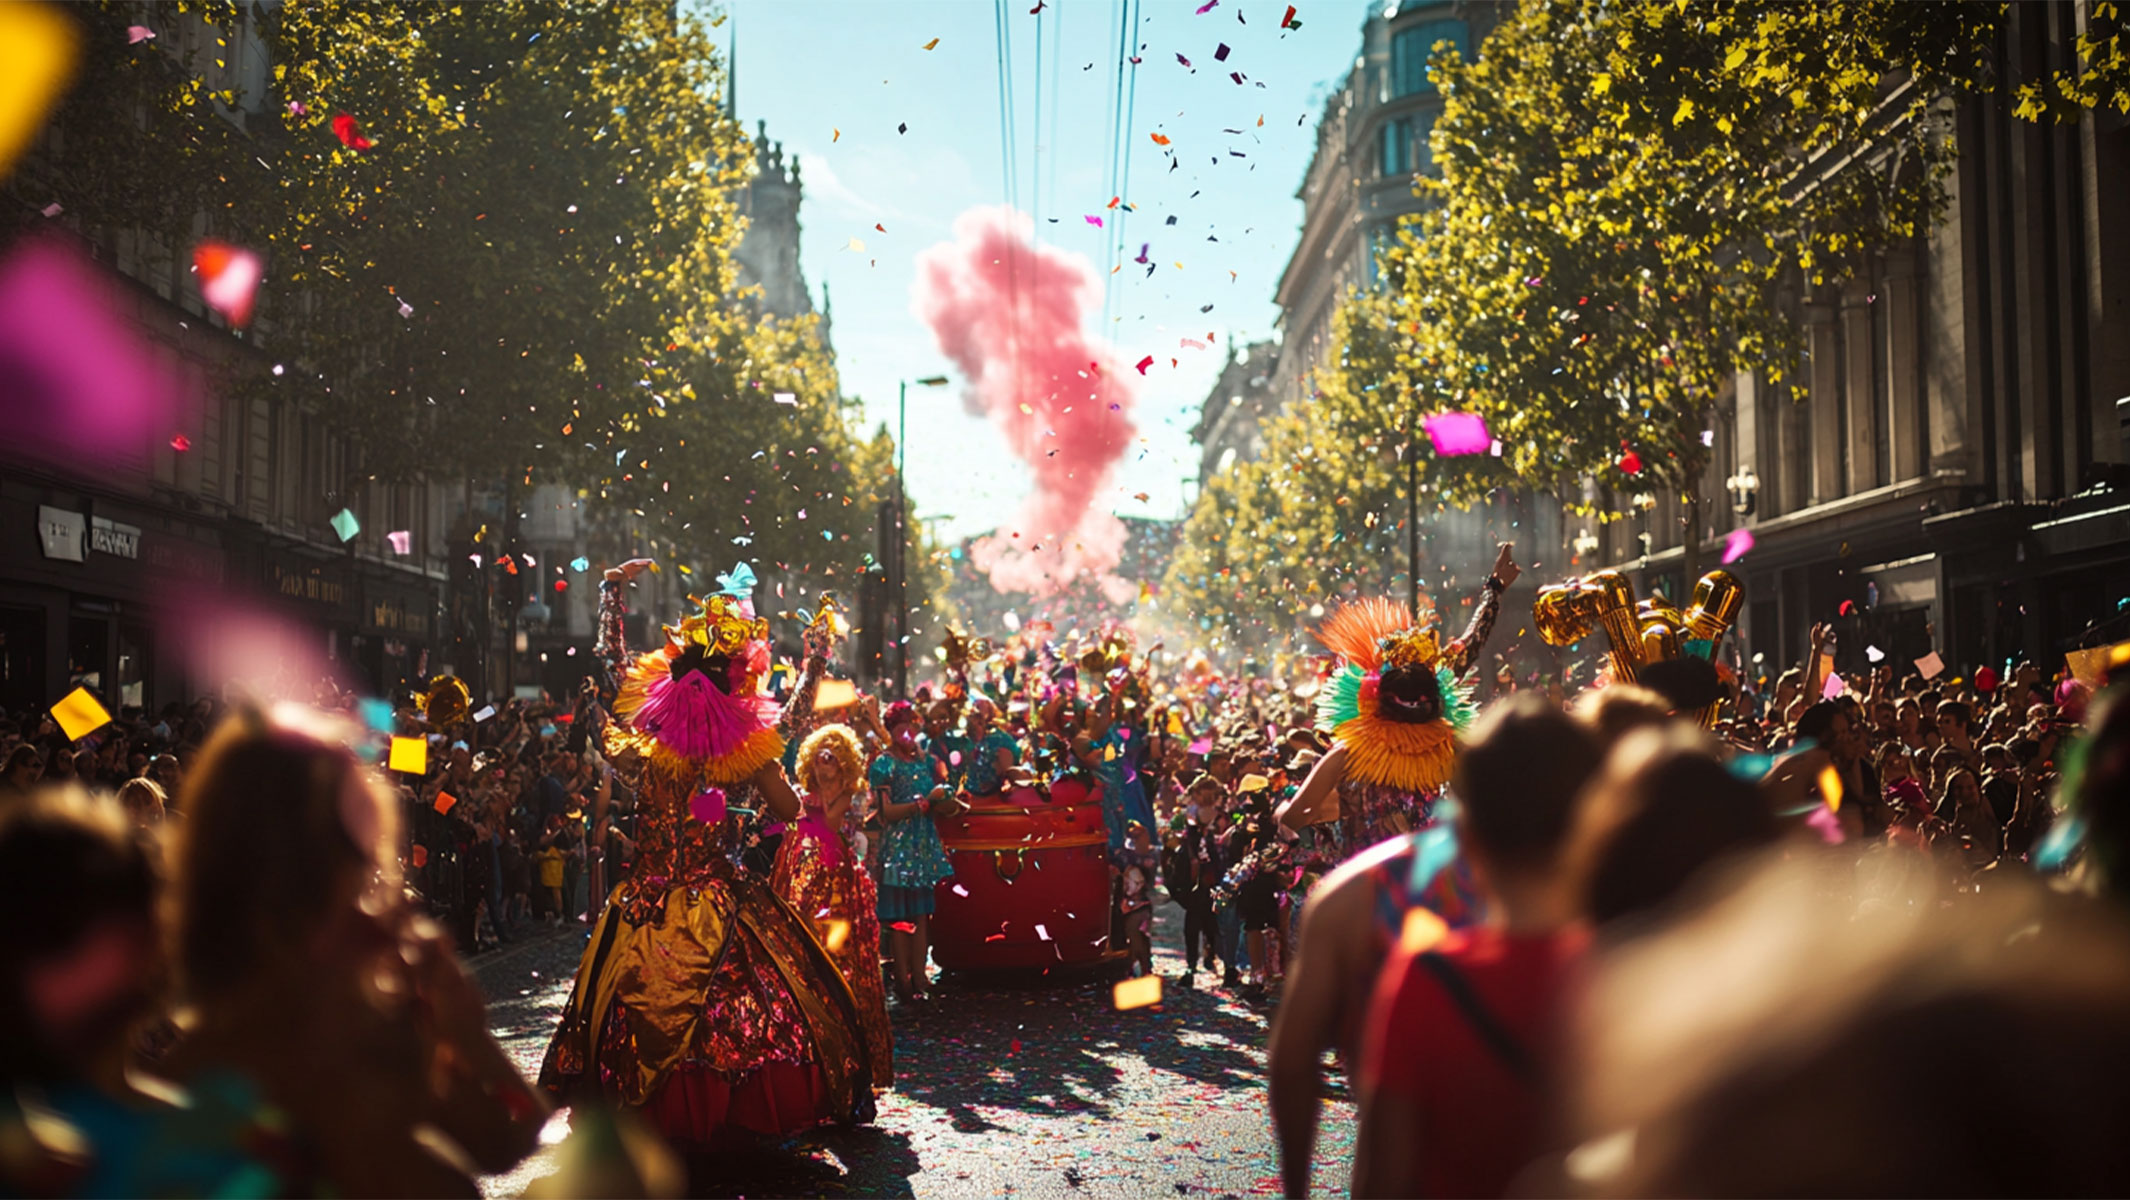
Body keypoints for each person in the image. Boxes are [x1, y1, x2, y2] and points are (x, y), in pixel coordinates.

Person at [540, 560, 879, 1143]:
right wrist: (816, 656)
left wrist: (612, 594)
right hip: (714, 906)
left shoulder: (644, 751)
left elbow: (615, 675)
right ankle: (718, 1114)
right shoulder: (737, 755)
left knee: (626, 1006)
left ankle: (636, 1111)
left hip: (641, 908)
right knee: (740, 1008)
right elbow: (791, 807)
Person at [163, 710, 546, 1195]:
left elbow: (509, 1136)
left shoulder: (191, 1063)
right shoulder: (364, 1042)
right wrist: (464, 1035)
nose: (378, 904)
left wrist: (463, 1031)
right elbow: (510, 1131)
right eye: (361, 878)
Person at [1278, 695, 1600, 1198]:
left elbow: (1294, 1062)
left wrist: (1296, 1190)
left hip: (1379, 909)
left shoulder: (1359, 911)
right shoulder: (1625, 947)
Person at [1278, 543, 1518, 859]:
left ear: (1372, 697)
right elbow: (1469, 647)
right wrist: (1494, 589)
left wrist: (1288, 807)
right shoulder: (1450, 750)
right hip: (1433, 892)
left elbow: (1293, 818)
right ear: (1438, 699)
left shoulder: (1349, 753)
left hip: (1367, 895)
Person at [772, 723, 894, 1093]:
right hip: (801, 875)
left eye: (833, 751)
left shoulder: (849, 793)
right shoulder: (801, 791)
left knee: (838, 956)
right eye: (821, 749)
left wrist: (821, 794)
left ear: (843, 762)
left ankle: (846, 1052)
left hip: (834, 881)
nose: (826, 755)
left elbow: (828, 821)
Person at [871, 700, 956, 1001]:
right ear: (892, 731)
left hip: (922, 846)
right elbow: (886, 813)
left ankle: (921, 976)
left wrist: (944, 799)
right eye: (900, 727)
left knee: (921, 915)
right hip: (898, 847)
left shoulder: (926, 762)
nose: (907, 733)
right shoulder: (884, 764)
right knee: (899, 919)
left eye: (911, 726)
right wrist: (920, 805)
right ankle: (904, 980)